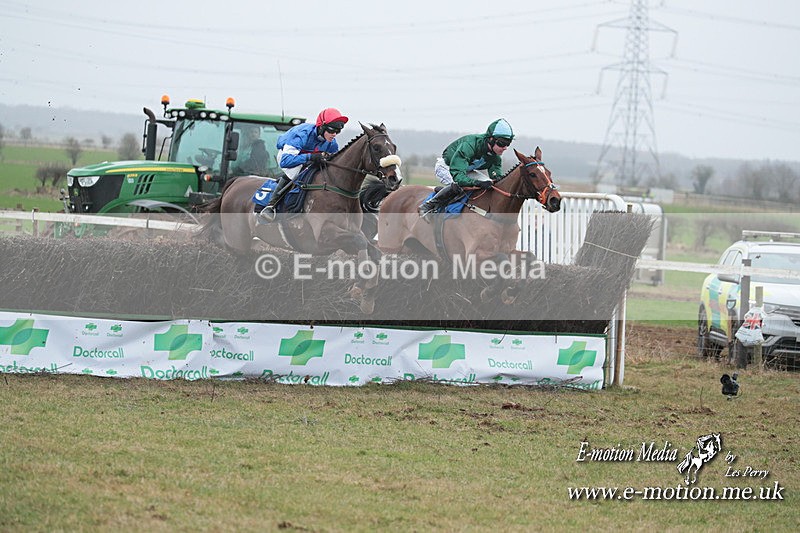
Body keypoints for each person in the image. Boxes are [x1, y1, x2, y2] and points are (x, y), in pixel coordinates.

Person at [258, 107, 348, 221]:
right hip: (288, 156)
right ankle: (271, 206)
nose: (334, 134)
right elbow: (286, 161)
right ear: (322, 127)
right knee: (297, 172)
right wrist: (310, 157)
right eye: (331, 130)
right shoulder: (302, 134)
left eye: (337, 131)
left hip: (307, 158)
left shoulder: (332, 143)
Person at [418, 118, 514, 217]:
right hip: (447, 167)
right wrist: (476, 183)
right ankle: (428, 205)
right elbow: (458, 176)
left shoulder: (495, 156)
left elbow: (496, 178)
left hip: (467, 170)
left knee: (490, 185)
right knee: (458, 186)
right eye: (502, 143)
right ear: (490, 139)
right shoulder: (469, 146)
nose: (505, 147)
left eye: (508, 144)